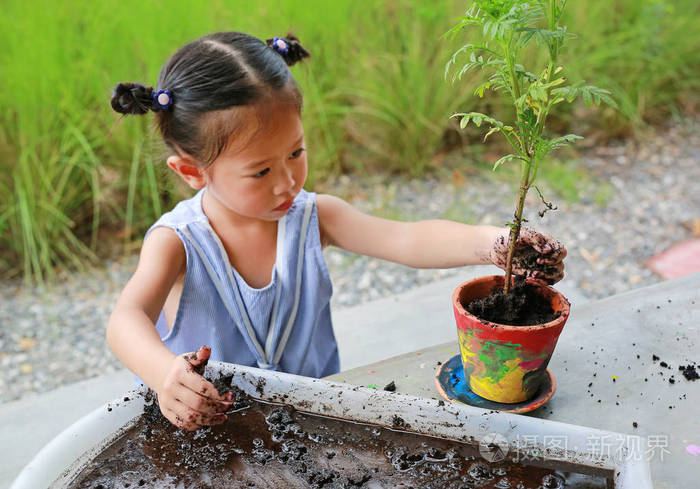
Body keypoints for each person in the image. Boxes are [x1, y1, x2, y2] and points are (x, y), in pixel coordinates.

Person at [107, 31, 566, 431]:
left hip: (311, 416)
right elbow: (126, 320)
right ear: (191, 171)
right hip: (209, 426)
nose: (287, 182)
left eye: (295, 153)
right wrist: (165, 374)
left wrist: (493, 243)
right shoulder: (179, 243)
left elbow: (404, 238)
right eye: (260, 171)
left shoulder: (313, 216)